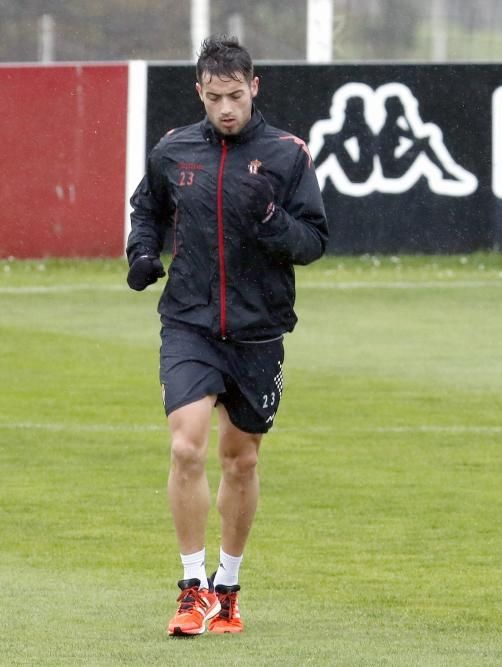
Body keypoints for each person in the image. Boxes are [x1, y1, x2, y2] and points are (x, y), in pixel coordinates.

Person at [126, 35, 328, 637]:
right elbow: (148, 210)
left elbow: (314, 241)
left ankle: (229, 588)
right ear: (200, 93)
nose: (226, 109)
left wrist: (274, 224)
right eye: (214, 97)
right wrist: (141, 251)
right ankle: (192, 590)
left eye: (235, 96)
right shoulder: (173, 150)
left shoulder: (289, 156)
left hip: (258, 330)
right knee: (186, 447)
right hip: (188, 321)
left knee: (239, 461)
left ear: (254, 87)